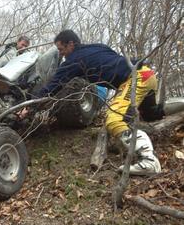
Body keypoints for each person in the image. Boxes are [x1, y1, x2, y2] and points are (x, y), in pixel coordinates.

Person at [23, 29, 162, 176]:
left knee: (113, 120)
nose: (61, 53)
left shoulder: (73, 60)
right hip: (147, 72)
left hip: (135, 77)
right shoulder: (98, 46)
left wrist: (30, 106)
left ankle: (149, 161)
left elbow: (53, 86)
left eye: (61, 49)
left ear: (71, 44)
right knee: (151, 113)